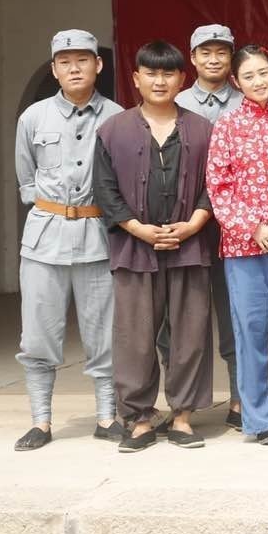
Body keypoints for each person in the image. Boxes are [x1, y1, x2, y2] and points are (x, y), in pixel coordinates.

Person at [94, 40, 215, 452]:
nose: (159, 81)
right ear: (136, 78)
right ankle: (140, 419)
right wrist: (138, 229)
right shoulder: (113, 130)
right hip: (134, 249)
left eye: (168, 73)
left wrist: (194, 223)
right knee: (135, 337)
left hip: (190, 246)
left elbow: (214, 185)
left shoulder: (202, 129)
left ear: (182, 79)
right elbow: (105, 190)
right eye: (151, 73)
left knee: (190, 334)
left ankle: (182, 417)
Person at [12, 29, 123, 451]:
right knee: (38, 335)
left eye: (83, 60)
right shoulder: (33, 118)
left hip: (97, 237)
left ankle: (106, 417)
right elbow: (26, 179)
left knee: (104, 333)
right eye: (65, 62)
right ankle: (40, 422)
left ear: (98, 65)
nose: (74, 68)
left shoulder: (117, 117)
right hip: (45, 239)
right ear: (55, 69)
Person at [205, 44, 268, 446]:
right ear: (235, 81)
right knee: (250, 332)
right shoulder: (227, 125)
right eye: (248, 76)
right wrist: (253, 228)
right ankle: (260, 419)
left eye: (263, 72)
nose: (258, 81)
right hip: (243, 248)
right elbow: (218, 186)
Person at [175, 24, 243, 429]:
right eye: (206, 52)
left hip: (236, 228)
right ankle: (183, 403)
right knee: (184, 316)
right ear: (193, 57)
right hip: (187, 226)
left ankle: (239, 400)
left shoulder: (248, 99)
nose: (214, 59)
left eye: (221, 52)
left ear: (231, 57)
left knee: (236, 314)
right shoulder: (175, 101)